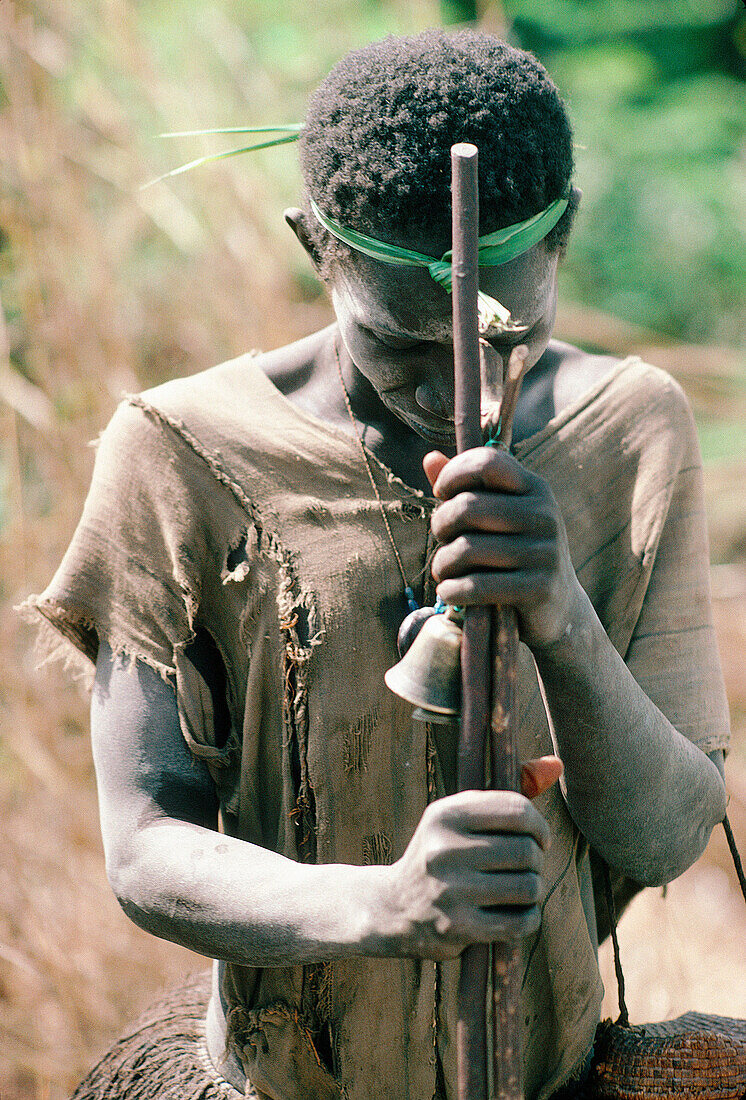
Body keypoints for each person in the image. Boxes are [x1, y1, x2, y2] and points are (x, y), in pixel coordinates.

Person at [24, 28, 730, 1100]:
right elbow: (146, 843)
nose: (461, 394)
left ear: (561, 239)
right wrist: (381, 904)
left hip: (546, 1073)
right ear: (317, 247)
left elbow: (669, 830)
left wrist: (556, 610)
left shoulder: (628, 429)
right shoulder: (181, 451)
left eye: (504, 339)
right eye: (402, 345)